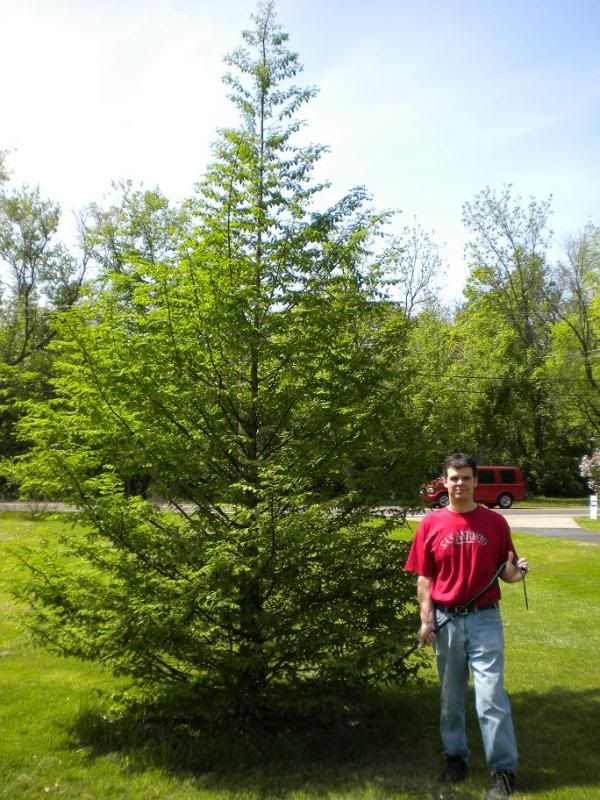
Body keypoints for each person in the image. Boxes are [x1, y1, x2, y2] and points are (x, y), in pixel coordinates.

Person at [405, 453, 529, 800]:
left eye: (465, 478)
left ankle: (503, 771)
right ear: (444, 482)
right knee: (451, 698)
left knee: (491, 697)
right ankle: (455, 759)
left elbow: (507, 573)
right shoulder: (430, 524)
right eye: (453, 478)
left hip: (485, 618)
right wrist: (426, 621)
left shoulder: (495, 523)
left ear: (476, 482)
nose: (459, 483)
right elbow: (424, 579)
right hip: (446, 620)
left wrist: (520, 571)